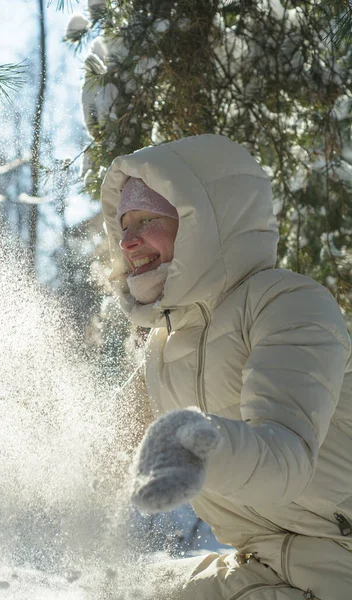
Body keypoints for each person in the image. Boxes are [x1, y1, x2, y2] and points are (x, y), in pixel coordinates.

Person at [100, 134, 352, 600]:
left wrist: (193, 445)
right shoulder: (162, 346)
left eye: (148, 219)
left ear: (204, 221)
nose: (129, 240)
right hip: (263, 564)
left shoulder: (287, 303)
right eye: (124, 225)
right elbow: (105, 455)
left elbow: (286, 458)